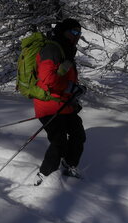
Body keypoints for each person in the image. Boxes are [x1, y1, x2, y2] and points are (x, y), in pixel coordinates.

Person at [33, 18, 86, 186]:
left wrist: (75, 90)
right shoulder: (51, 48)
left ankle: (69, 165)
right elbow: (47, 79)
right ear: (64, 31)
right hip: (48, 104)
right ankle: (44, 174)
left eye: (80, 33)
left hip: (64, 103)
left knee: (78, 134)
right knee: (59, 141)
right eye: (74, 32)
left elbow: (64, 75)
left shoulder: (67, 49)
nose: (77, 36)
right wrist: (70, 88)